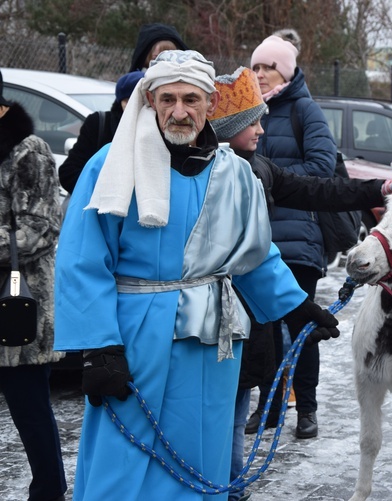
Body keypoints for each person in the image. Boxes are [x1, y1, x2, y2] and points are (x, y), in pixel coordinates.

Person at [53, 50, 340, 501]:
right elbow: (81, 260)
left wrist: (297, 307)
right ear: (150, 100)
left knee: (200, 454)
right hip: (133, 338)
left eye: (191, 99)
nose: (179, 111)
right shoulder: (110, 166)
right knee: (124, 459)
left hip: (210, 342)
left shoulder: (233, 174)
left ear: (210, 104)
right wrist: (98, 347)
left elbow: (255, 256)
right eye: (168, 99)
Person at [210, 67, 392, 499]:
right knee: (219, 415)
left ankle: (232, 486)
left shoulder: (260, 166)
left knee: (236, 405)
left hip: (251, 315)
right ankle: (224, 487)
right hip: (217, 317)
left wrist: (380, 189)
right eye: (253, 121)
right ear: (227, 128)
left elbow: (320, 190)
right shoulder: (215, 176)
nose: (262, 129)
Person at [249, 34, 339, 439]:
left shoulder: (306, 110)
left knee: (302, 326)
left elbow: (323, 167)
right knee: (261, 328)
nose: (261, 74)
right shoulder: (248, 111)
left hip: (298, 239)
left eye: (269, 67)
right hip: (256, 238)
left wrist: (273, 180)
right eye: (256, 67)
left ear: (285, 71)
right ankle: (268, 407)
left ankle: (307, 408)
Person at [0, 69, 67, 501]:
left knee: (30, 409)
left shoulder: (30, 151)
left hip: (21, 304)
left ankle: (49, 492)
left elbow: (41, 229)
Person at [58, 70, 144, 194]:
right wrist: (103, 193)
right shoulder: (99, 124)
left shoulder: (164, 130)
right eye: (128, 100)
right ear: (121, 102)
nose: (134, 106)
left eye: (141, 101)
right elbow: (69, 173)